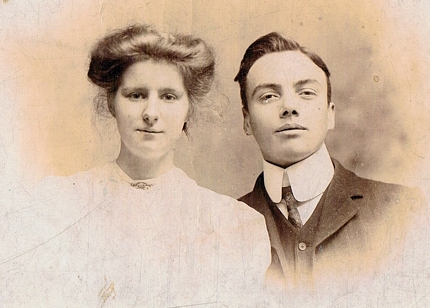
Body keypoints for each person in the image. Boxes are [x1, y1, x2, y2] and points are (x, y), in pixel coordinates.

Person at [0, 24, 270, 307]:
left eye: (168, 97)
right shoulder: (56, 204)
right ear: (111, 103)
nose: (151, 114)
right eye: (136, 95)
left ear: (189, 107)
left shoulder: (233, 225)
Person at [233, 32, 425, 291]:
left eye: (307, 93)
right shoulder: (224, 224)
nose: (289, 107)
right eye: (268, 96)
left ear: (330, 114)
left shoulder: (403, 211)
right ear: (246, 120)